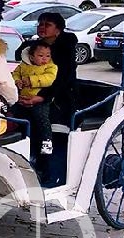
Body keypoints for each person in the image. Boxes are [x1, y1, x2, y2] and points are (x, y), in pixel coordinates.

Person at [14, 12, 77, 185]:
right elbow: (20, 60)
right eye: (40, 24)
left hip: (57, 99)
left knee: (42, 124)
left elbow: (62, 80)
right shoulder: (35, 46)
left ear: (58, 30)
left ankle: (46, 167)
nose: (41, 27)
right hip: (29, 94)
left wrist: (41, 98)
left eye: (47, 24)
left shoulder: (65, 48)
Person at [11, 40, 57, 155]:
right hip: (23, 98)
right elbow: (15, 73)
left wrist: (31, 80)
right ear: (31, 57)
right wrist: (17, 81)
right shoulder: (23, 66)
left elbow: (49, 79)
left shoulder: (51, 67)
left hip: (40, 100)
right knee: (13, 112)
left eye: (47, 56)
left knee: (42, 118)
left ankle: (47, 142)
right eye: (40, 56)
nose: (44, 59)